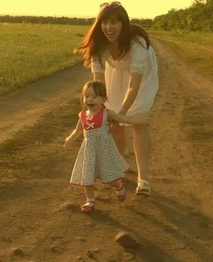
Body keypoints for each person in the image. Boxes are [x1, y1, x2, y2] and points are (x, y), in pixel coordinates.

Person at [74, 1, 159, 196]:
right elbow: (99, 84)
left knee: (138, 123)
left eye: (114, 22)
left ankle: (143, 179)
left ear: (123, 24)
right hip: (115, 76)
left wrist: (120, 114)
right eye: (105, 22)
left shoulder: (137, 44)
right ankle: (119, 167)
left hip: (140, 78)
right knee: (114, 125)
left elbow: (133, 85)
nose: (109, 27)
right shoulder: (99, 45)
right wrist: (101, 112)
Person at [64, 80, 149, 213]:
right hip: (88, 151)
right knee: (87, 176)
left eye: (94, 97)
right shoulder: (82, 116)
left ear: (103, 99)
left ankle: (119, 186)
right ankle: (90, 200)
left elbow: (123, 119)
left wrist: (141, 120)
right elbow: (78, 131)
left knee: (109, 178)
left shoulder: (106, 114)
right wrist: (69, 140)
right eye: (87, 96)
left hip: (104, 150)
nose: (90, 100)